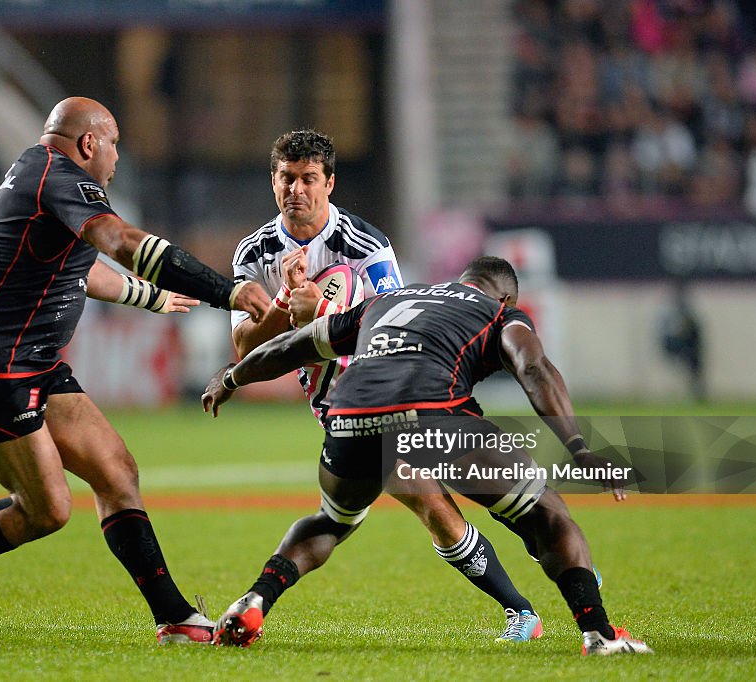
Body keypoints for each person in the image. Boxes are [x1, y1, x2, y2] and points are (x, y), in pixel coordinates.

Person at [0, 96, 270, 644]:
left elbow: (86, 271)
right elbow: (122, 243)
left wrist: (152, 298)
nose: (115, 158)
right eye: (113, 145)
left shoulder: (42, 181)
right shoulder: (57, 177)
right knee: (48, 510)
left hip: (30, 362)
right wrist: (224, 290)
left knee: (116, 471)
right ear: (89, 143)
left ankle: (176, 620)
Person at [203, 256, 652, 656]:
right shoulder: (501, 313)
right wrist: (578, 446)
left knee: (331, 520)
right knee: (547, 513)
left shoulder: (388, 301)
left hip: (350, 416)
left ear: (461, 280)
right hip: (435, 418)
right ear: (507, 295)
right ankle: (599, 635)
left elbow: (292, 346)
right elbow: (533, 367)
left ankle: (256, 598)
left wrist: (231, 378)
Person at [230, 129, 542, 643]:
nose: (296, 191)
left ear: (329, 183)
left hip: (386, 388)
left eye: (309, 179)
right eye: (287, 178)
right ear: (273, 179)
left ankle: (531, 586)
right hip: (332, 402)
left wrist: (325, 313)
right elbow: (244, 343)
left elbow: (400, 328)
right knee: (431, 501)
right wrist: (286, 300)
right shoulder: (255, 252)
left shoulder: (366, 247)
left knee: (418, 498)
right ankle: (542, 552)